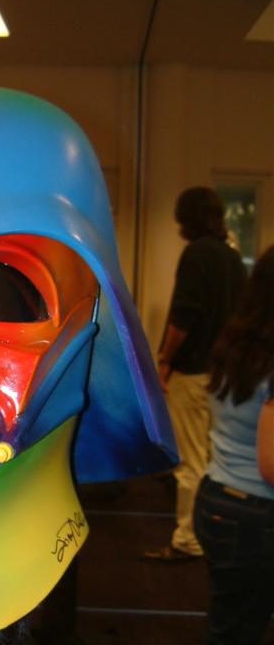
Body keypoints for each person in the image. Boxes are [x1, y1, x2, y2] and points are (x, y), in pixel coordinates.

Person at [166, 244, 274, 645]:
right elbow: (272, 463)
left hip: (221, 502)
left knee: (235, 628)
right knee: (230, 640)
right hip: (252, 516)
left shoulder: (237, 347)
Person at [145, 187, 247, 561]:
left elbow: (183, 318)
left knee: (189, 461)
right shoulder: (233, 258)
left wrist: (164, 360)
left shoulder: (196, 254)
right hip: (222, 374)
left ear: (186, 219)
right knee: (212, 457)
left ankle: (188, 539)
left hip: (191, 373)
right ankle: (214, 532)